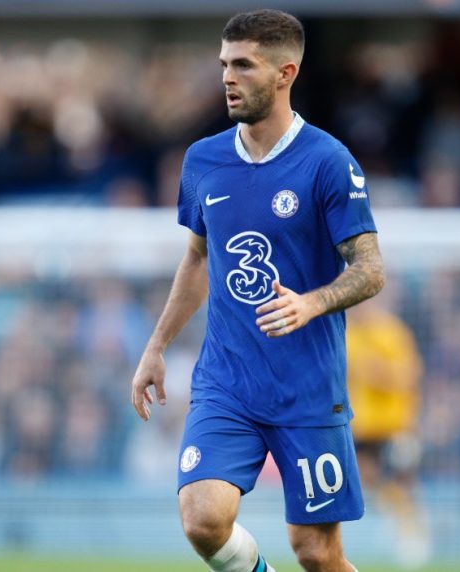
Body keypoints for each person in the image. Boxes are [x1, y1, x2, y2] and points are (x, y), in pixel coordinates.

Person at [130, 10, 386, 572]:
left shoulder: (327, 162)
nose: (228, 77)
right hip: (228, 381)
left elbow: (371, 270)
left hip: (307, 388)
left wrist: (311, 302)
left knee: (316, 552)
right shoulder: (203, 161)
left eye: (243, 65)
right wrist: (155, 346)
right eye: (224, 64)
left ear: (284, 73)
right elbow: (198, 259)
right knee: (202, 518)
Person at [345, 290, 430, 568]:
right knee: (369, 477)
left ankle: (413, 535)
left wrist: (371, 370)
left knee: (401, 480)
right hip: (364, 425)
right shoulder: (350, 335)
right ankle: (402, 525)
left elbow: (408, 376)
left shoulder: (392, 333)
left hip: (395, 424)